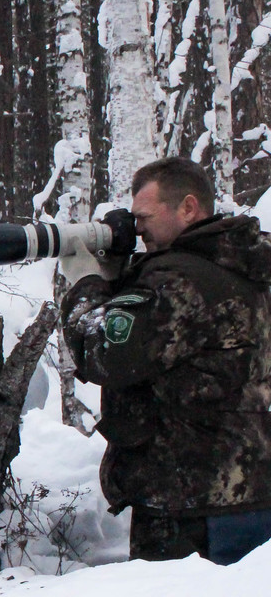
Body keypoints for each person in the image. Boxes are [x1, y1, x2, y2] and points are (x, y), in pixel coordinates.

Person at [61, 157, 271, 564]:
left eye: (144, 217)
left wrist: (87, 284)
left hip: (188, 507)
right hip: (250, 490)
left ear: (188, 208)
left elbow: (105, 355)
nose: (137, 229)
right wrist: (121, 281)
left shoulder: (181, 280)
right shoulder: (243, 263)